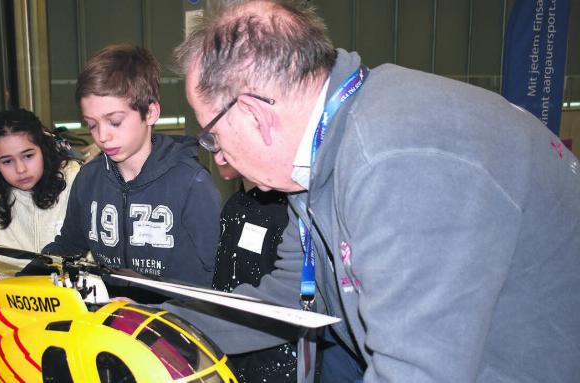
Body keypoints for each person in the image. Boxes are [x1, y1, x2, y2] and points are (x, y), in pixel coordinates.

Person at [166, 1, 580, 383]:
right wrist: (159, 322)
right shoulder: (321, 158)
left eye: (212, 135)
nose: (219, 157)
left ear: (255, 114)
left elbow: (416, 371)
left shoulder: (397, 161)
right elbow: (293, 296)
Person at [42, 44, 221, 299]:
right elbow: (68, 247)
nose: (103, 136)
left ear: (150, 112)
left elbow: (214, 274)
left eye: (115, 121)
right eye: (92, 125)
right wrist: (20, 284)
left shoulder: (192, 184)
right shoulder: (89, 179)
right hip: (109, 318)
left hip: (172, 323)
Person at [212, 163, 297, 382]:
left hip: (274, 356)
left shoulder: (288, 212)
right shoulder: (233, 205)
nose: (218, 154)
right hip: (229, 346)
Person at [0, 109, 81, 277]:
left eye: (28, 156)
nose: (20, 169)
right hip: (29, 295)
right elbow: (8, 267)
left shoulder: (76, 180)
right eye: (7, 161)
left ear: (42, 148)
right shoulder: (4, 194)